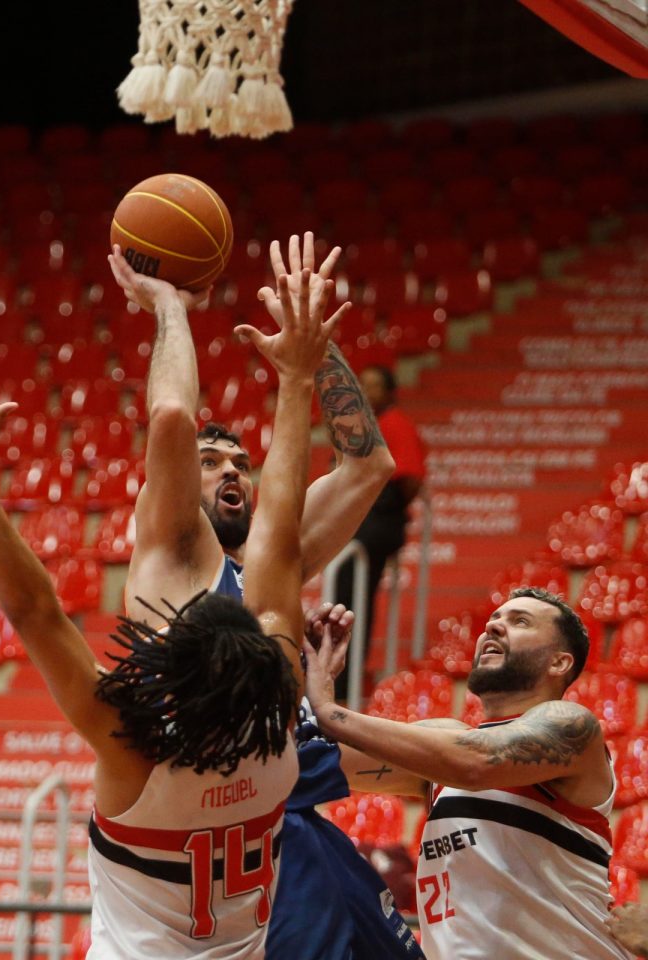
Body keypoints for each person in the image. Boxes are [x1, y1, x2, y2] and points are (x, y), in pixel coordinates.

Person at [0, 262, 337, 959]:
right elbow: (280, 538)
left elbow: (35, 610)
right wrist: (296, 382)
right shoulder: (279, 727)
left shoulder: (140, 752)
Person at [110, 232, 424, 960]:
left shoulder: (270, 560)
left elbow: (368, 462)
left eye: (240, 463)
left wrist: (312, 348)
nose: (230, 471)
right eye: (210, 461)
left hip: (302, 819)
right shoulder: (173, 555)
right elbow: (171, 418)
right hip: (235, 835)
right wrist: (169, 307)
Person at [304, 585, 635, 960]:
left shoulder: (571, 726)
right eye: (494, 619)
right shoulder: (442, 748)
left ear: (559, 663)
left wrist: (329, 711)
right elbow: (308, 762)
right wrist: (301, 672)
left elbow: (476, 763)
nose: (493, 627)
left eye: (520, 621)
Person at [334, 363, 426, 699]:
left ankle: (344, 682)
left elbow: (411, 478)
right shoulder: (364, 426)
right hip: (361, 520)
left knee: (351, 600)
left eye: (374, 385)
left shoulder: (394, 423)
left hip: (379, 522)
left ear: (389, 392)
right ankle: (341, 678)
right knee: (347, 598)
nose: (366, 391)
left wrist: (390, 508)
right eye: (363, 384)